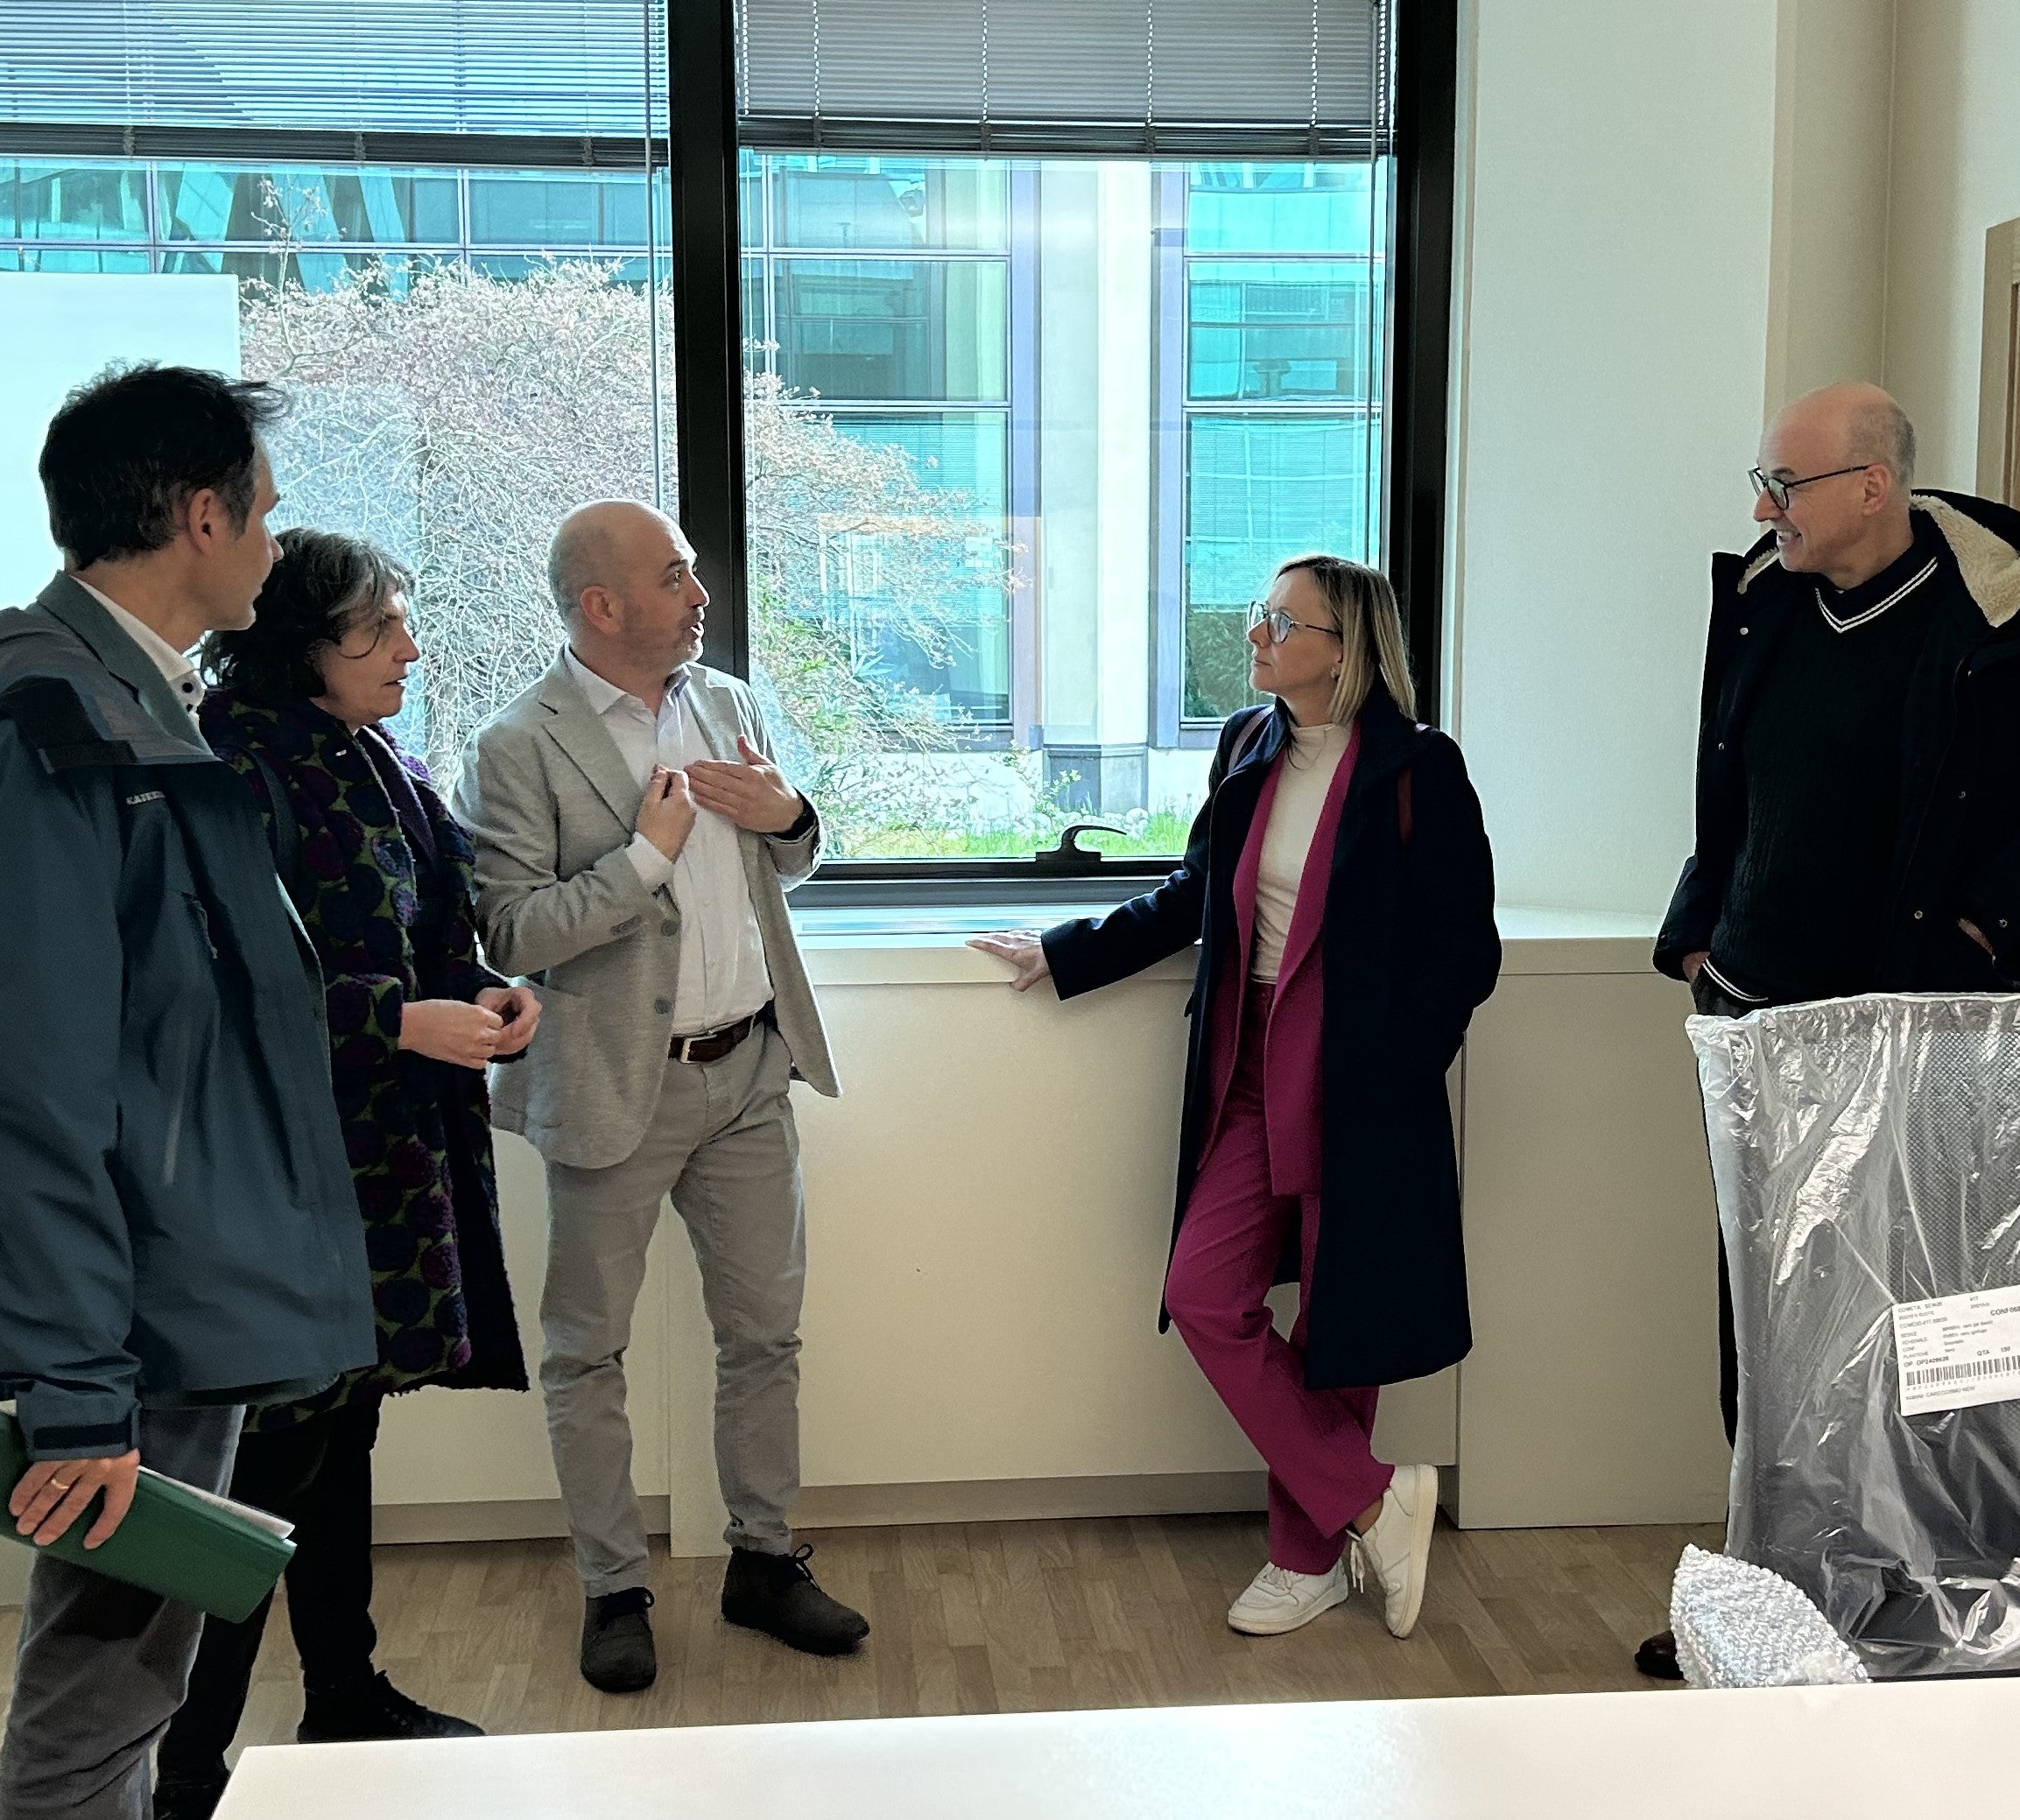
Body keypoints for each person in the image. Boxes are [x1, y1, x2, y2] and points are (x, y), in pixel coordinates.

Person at [0, 365, 377, 1818]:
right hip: (130, 1307)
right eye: (264, 512)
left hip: (163, 1279)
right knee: (97, 1699)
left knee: (128, 1689)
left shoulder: (131, 703)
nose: (272, 542)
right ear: (202, 516)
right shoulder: (52, 732)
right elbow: (22, 1087)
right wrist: (76, 1390)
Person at [1637, 380, 2020, 1679]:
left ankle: (1927, 1622)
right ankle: (1772, 1614)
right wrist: (1699, 925)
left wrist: (1983, 922)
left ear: (1871, 486)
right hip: (1766, 1043)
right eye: (1763, 483)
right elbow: (1736, 791)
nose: (1763, 509)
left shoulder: (2001, 629)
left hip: (1927, 1058)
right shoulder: (1768, 603)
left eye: (1784, 485)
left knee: (1926, 1343)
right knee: (1772, 1345)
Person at [971, 555, 1501, 1641]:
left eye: (1279, 621)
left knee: (1341, 1316)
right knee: (1205, 1293)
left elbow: (1464, 951)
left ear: (1344, 650)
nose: (1254, 635)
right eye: (1262, 616)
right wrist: (1065, 952)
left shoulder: (1419, 769)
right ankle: (1370, 1499)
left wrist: (1397, 1064)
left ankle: (1306, 1559)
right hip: (1249, 1066)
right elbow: (1194, 894)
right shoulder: (1247, 743)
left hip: (1359, 1079)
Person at [146, 531, 538, 1820]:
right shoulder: (226, 768)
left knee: (340, 1433)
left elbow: (422, 929)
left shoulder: (374, 755)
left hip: (381, 1165)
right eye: (377, 629)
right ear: (297, 645)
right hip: (280, 1178)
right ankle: (184, 1768)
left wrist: (484, 994)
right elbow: (201, 998)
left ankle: (345, 1690)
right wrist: (397, 1020)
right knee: (257, 1473)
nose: (407, 649)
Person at [460, 499, 867, 1695]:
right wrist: (643, 857)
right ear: (601, 604)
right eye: (676, 575)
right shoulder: (515, 743)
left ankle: (762, 1560)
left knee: (765, 1335)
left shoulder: (726, 700)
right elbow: (511, 930)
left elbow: (787, 858)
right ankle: (612, 1589)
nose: (700, 594)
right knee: (587, 1351)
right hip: (609, 1087)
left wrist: (790, 817)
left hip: (748, 1071)